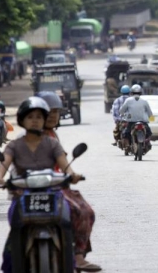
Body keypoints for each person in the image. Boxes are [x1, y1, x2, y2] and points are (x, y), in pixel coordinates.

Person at [0, 97, 88, 272]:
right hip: (22, 194)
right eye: (30, 116)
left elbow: (65, 165)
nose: (35, 120)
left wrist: (73, 175)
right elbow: (4, 163)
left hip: (52, 192)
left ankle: (70, 263)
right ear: (22, 120)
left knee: (66, 221)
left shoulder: (52, 143)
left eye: (39, 117)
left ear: (44, 120)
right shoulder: (14, 145)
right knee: (16, 226)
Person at [35, 91, 101, 272]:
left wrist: (72, 174)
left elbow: (63, 163)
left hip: (57, 188)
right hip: (32, 189)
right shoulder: (27, 137)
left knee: (85, 211)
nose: (53, 116)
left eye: (56, 112)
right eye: (49, 112)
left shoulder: (53, 136)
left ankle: (78, 257)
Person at [119, 84, 153, 150]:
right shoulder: (144, 101)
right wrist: (151, 119)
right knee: (149, 133)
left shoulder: (128, 100)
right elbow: (150, 113)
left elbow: (121, 110)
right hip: (143, 122)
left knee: (126, 134)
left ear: (131, 92)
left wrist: (122, 114)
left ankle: (128, 146)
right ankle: (147, 143)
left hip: (131, 122)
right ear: (140, 92)